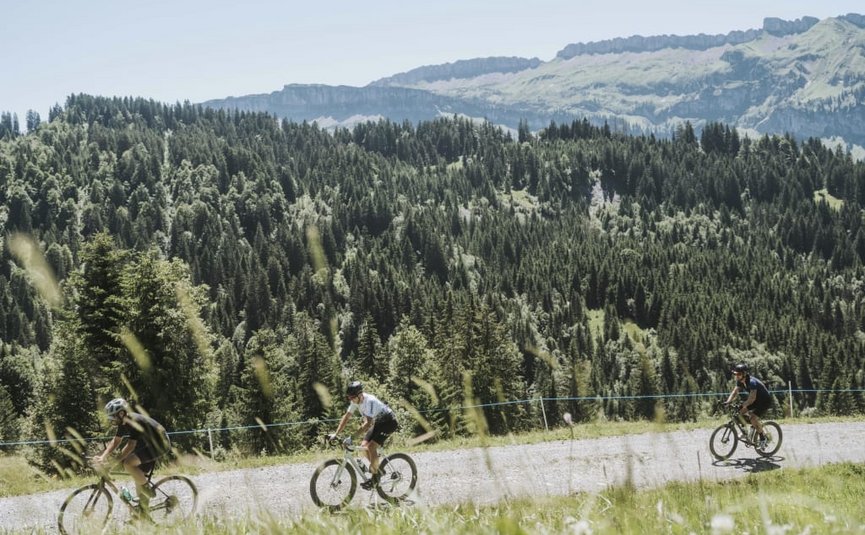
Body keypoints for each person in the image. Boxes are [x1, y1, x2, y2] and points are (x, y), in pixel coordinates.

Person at [93, 398, 171, 506]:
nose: (111, 420)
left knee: (128, 463)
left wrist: (115, 462)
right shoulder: (123, 422)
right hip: (147, 444)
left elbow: (130, 446)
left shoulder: (134, 421)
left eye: (113, 417)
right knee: (138, 476)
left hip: (160, 444)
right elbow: (116, 441)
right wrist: (103, 456)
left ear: (121, 413)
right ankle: (143, 511)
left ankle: (148, 489)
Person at [329, 381, 398, 490]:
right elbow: (346, 417)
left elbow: (367, 424)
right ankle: (378, 470)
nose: (351, 400)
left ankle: (374, 479)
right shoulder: (355, 401)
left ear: (360, 395)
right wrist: (336, 434)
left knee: (371, 447)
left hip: (389, 422)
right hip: (379, 423)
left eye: (353, 397)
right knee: (363, 446)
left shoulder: (369, 401)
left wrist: (351, 438)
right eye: (349, 398)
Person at [724, 364, 772, 447]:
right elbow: (735, 392)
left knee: (753, 418)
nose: (736, 376)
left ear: (744, 374)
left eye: (739, 374)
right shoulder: (740, 381)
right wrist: (728, 402)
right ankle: (745, 432)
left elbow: (752, 399)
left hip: (764, 401)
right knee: (739, 413)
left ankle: (763, 438)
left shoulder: (752, 382)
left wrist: (743, 405)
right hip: (756, 400)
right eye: (735, 374)